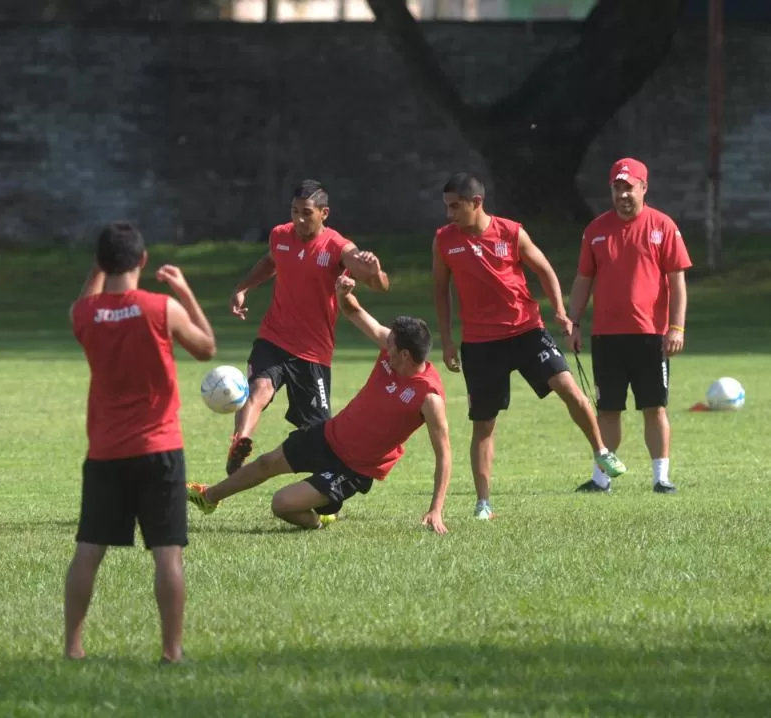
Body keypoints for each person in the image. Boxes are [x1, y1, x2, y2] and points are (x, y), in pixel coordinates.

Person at [188, 269, 451, 535]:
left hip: (352, 468)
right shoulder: (392, 350)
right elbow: (354, 313)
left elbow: (444, 455)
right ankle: (208, 497)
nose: (386, 344)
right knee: (267, 463)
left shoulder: (428, 397)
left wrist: (435, 509)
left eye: (391, 344)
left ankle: (318, 520)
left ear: (405, 354)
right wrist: (343, 294)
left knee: (281, 504)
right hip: (328, 436)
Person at [64, 221, 217, 664]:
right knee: (167, 556)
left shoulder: (84, 315)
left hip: (106, 452)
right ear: (143, 261)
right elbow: (206, 348)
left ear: (100, 263)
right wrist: (185, 290)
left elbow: (85, 300)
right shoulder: (161, 308)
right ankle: (171, 652)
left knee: (88, 552)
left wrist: (97, 269)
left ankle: (73, 648)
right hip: (159, 449)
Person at [432, 173, 626, 520]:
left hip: (526, 331)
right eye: (447, 207)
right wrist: (446, 341)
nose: (449, 215)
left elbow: (545, 270)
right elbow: (440, 292)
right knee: (484, 424)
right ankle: (483, 503)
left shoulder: (510, 232)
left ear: (477, 203)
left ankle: (601, 451)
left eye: (455, 207)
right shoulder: (444, 241)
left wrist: (561, 313)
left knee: (568, 387)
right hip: (480, 342)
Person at [223, 179, 390, 475]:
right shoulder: (279, 235)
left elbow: (378, 285)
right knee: (259, 388)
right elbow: (271, 261)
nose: (299, 219)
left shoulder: (338, 246)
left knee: (317, 431)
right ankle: (241, 442)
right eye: (294, 211)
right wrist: (242, 288)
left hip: (312, 354)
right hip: (273, 337)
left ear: (324, 213)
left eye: (307, 213)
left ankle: (322, 493)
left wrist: (374, 271)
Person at [568, 158, 692, 494]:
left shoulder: (663, 226)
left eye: (629, 187)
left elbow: (677, 281)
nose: (623, 194)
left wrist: (676, 328)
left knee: (654, 407)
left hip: (650, 335)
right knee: (608, 410)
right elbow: (583, 279)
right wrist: (573, 321)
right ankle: (601, 479)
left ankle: (661, 477)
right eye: (617, 187)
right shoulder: (595, 230)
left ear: (643, 188)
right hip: (607, 336)